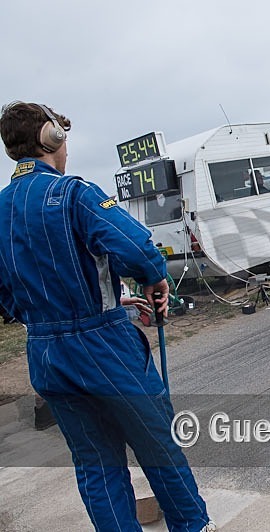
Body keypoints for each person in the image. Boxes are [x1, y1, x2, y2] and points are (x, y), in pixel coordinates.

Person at [0, 101, 214, 532]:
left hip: (44, 354)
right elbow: (137, 249)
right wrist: (153, 280)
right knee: (159, 447)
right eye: (62, 134)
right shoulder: (74, 193)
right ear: (51, 138)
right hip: (103, 348)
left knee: (96, 465)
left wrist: (92, 307)